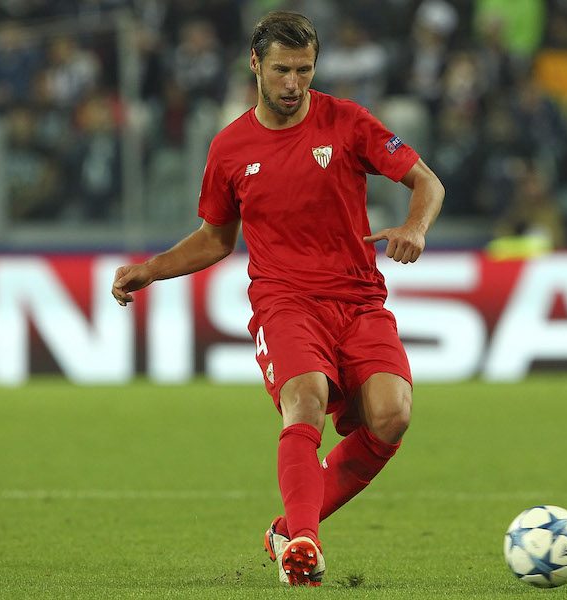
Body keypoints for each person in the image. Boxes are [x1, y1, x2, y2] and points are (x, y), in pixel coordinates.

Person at [110, 11, 444, 588]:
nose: (294, 84)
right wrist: (151, 270)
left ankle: (285, 529)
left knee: (393, 417)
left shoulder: (347, 122)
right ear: (255, 64)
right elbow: (216, 238)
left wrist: (414, 227)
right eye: (283, 70)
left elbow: (427, 182)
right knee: (306, 398)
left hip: (359, 299)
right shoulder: (230, 148)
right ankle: (304, 543)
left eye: (305, 70)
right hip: (285, 302)